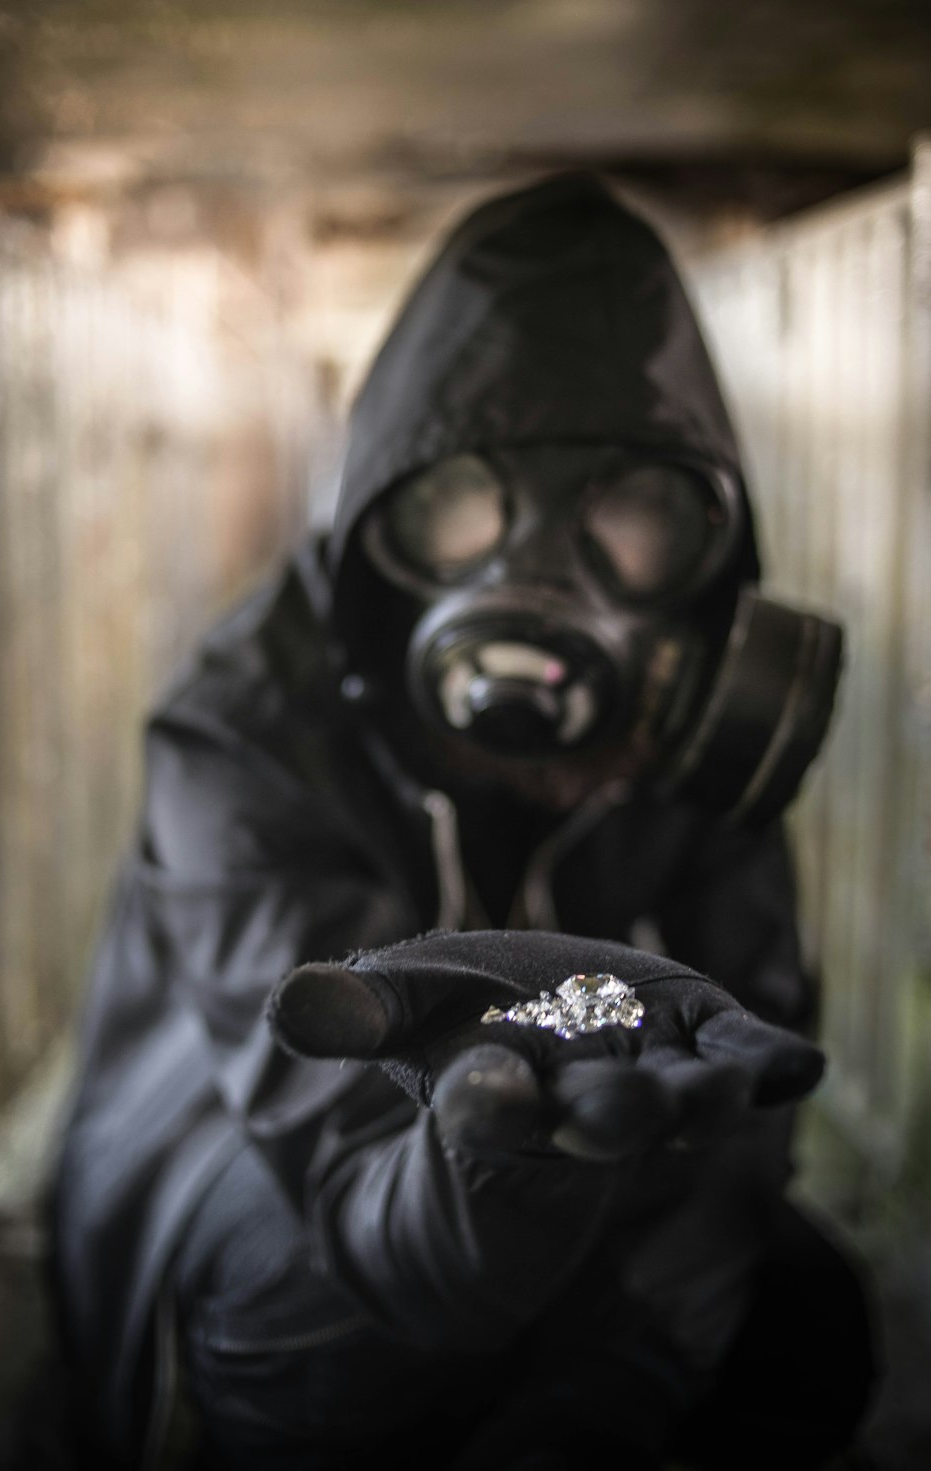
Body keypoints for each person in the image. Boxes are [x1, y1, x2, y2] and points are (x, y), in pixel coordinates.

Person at [50, 173, 872, 1470]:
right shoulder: (251, 725)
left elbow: (744, 1092)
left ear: (702, 551)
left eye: (626, 510)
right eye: (466, 501)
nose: (538, 574)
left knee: (807, 1322)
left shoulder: (694, 714)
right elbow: (335, 1166)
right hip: (263, 1168)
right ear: (383, 519)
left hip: (577, 1153)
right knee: (315, 1348)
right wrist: (492, 1190)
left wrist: (625, 1385)